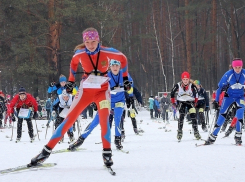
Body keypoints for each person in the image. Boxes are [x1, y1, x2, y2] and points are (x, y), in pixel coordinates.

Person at [29, 27, 129, 168]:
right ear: (84, 42)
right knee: (69, 119)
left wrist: (124, 78)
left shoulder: (107, 51)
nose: (91, 45)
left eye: (93, 41)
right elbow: (73, 63)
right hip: (86, 90)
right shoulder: (79, 53)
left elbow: (123, 59)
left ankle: (107, 153)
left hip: (102, 90)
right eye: (87, 42)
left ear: (98, 40)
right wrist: (70, 80)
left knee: (104, 120)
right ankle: (45, 152)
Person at [68, 59, 127, 151]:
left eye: (117, 66)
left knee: (118, 118)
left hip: (119, 101)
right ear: (109, 67)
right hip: (107, 101)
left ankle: (118, 139)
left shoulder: (124, 75)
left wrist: (130, 96)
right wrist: (95, 102)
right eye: (113, 66)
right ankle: (80, 140)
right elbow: (95, 90)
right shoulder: (105, 76)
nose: (115, 68)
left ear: (120, 67)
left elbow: (130, 88)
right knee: (95, 121)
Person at [205, 58, 245, 145]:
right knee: (222, 116)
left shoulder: (244, 73)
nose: (238, 69)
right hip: (229, 97)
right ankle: (213, 136)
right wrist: (216, 101)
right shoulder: (228, 74)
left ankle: (238, 136)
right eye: (236, 67)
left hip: (240, 97)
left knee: (240, 114)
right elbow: (219, 88)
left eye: (239, 67)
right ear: (233, 67)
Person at [170, 71, 201, 141]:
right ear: (182, 79)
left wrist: (196, 102)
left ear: (189, 79)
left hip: (190, 101)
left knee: (193, 116)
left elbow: (196, 94)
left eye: (187, 79)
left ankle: (196, 132)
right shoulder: (178, 85)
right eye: (184, 79)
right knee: (182, 115)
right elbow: (172, 93)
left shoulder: (192, 85)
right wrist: (173, 102)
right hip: (181, 101)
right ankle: (180, 132)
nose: (185, 81)